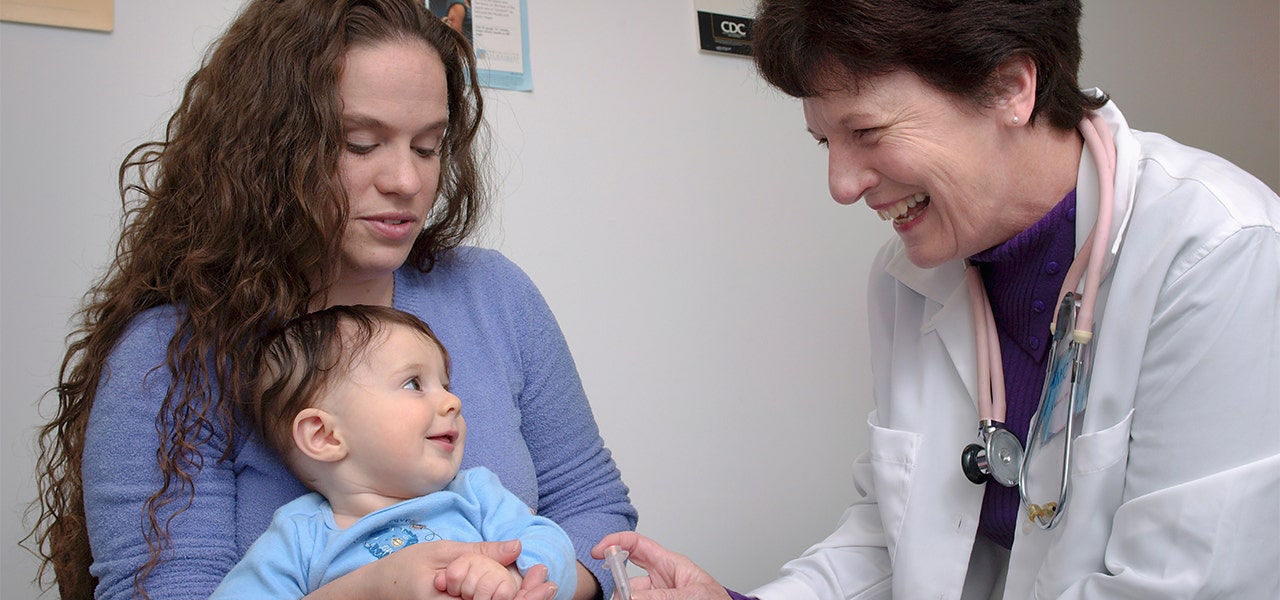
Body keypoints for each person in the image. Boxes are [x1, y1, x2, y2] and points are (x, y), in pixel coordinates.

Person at [596, 0, 1280, 598]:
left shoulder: (1218, 254)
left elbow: (1183, 586)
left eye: (866, 133)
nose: (840, 183)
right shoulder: (909, 278)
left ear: (1011, 87)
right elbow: (892, 534)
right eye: (824, 143)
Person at [26, 1, 636, 599]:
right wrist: (369, 591)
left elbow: (592, 508)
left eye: (427, 147)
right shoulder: (173, 356)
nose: (406, 181)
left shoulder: (495, 296)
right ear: (267, 150)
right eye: (361, 144)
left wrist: (529, 584)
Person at [211, 305, 576, 600]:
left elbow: (550, 542)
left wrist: (511, 576)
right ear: (324, 435)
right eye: (414, 383)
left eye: (445, 385)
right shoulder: (299, 536)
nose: (452, 401)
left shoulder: (476, 495)